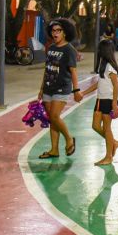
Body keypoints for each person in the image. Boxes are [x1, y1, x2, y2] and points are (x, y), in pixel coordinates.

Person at [36, 20, 81, 159]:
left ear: (65, 33)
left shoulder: (69, 49)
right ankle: (54, 150)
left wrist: (76, 90)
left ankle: (69, 138)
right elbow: (47, 69)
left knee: (55, 116)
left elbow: (73, 71)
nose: (55, 33)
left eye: (58, 31)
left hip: (62, 88)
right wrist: (42, 88)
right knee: (52, 119)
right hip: (48, 87)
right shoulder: (51, 48)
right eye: (53, 31)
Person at [91, 26, 118, 166]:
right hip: (100, 99)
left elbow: (116, 85)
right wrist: (83, 93)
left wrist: (114, 103)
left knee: (107, 128)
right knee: (95, 125)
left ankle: (109, 156)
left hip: (108, 100)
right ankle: (113, 142)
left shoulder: (110, 66)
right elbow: (99, 83)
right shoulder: (103, 65)